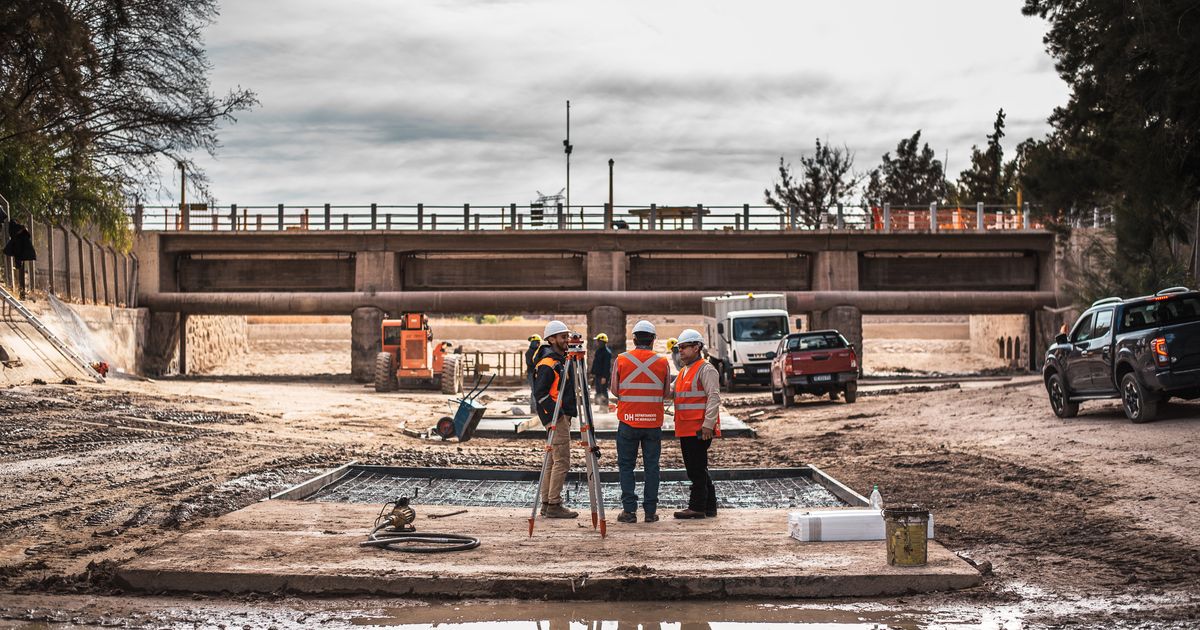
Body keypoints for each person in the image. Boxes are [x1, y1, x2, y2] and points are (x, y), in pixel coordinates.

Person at [609, 320, 670, 524]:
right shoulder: (662, 362)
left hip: (628, 421)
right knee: (651, 467)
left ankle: (629, 511)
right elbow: (666, 393)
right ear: (653, 340)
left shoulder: (622, 359)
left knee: (626, 466)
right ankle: (650, 512)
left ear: (633, 339)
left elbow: (615, 391)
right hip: (653, 423)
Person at [670, 328, 721, 519]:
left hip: (699, 429)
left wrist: (708, 424)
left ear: (697, 347)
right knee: (699, 467)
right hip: (686, 428)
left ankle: (697, 507)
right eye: (679, 348)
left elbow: (714, 397)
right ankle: (709, 506)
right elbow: (672, 392)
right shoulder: (684, 371)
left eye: (684, 347)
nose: (680, 351)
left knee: (695, 469)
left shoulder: (706, 369)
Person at [531, 321, 578, 519]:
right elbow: (539, 394)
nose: (566, 340)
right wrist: (555, 415)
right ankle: (554, 504)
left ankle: (547, 502)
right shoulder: (549, 362)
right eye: (562, 337)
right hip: (556, 416)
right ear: (551, 339)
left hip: (558, 415)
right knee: (562, 461)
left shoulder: (560, 359)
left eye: (567, 336)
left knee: (552, 461)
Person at [590, 332, 613, 407]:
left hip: (603, 376)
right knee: (598, 391)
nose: (597, 342)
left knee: (603, 391)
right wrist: (592, 373)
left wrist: (604, 377)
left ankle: (605, 406)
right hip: (597, 375)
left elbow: (607, 366)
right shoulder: (598, 351)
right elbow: (596, 363)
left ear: (602, 342)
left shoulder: (607, 353)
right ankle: (601, 406)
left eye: (598, 341)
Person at [525, 334, 542, 414]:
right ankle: (534, 409)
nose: (538, 344)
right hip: (531, 374)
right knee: (534, 391)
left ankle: (536, 408)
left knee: (537, 391)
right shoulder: (529, 352)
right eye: (537, 342)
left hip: (535, 373)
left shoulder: (536, 352)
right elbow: (531, 363)